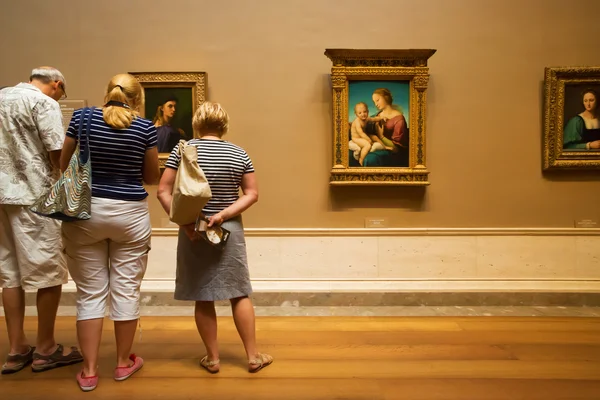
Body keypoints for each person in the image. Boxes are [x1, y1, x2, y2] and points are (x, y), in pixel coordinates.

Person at [60, 73, 160, 391]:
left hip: (86, 212)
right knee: (126, 289)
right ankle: (122, 363)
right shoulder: (145, 128)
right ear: (137, 99)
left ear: (107, 92)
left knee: (89, 293)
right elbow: (151, 177)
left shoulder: (82, 117)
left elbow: (64, 165)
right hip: (129, 216)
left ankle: (89, 371)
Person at [157, 101, 273, 374]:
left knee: (203, 295)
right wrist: (223, 215)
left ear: (197, 124)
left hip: (193, 229)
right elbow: (252, 194)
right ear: (224, 125)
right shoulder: (238, 153)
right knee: (239, 293)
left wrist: (185, 223)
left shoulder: (183, 150)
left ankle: (213, 359)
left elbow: (163, 191)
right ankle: (253, 356)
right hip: (228, 229)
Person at [0, 66, 83, 375]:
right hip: (35, 195)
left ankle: (16, 348)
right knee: (49, 270)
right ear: (56, 85)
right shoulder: (43, 102)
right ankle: (46, 348)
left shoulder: (2, 96)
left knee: (10, 274)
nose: (60, 98)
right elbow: (56, 151)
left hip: (2, 195)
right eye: (61, 93)